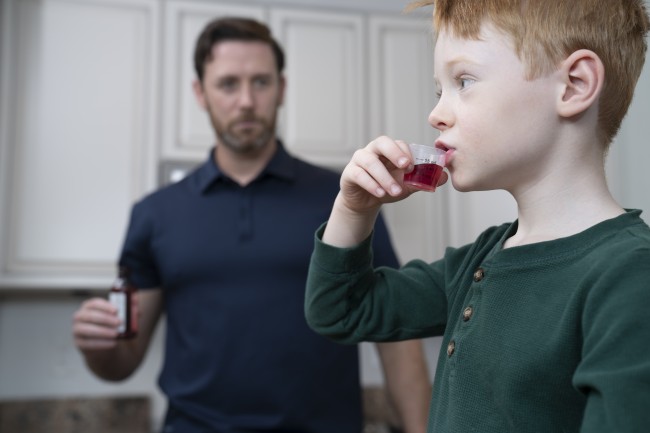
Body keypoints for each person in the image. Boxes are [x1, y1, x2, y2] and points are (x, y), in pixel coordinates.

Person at [71, 16, 432, 433]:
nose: (245, 100)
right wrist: (97, 348)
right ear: (200, 92)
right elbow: (123, 361)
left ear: (281, 89)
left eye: (260, 82)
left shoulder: (348, 198)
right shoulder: (154, 215)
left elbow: (397, 338)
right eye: (228, 84)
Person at [304, 0, 650, 432]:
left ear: (574, 86)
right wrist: (354, 207)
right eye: (439, 90)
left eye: (463, 81)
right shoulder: (477, 263)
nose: (436, 114)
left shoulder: (630, 275)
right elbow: (340, 311)